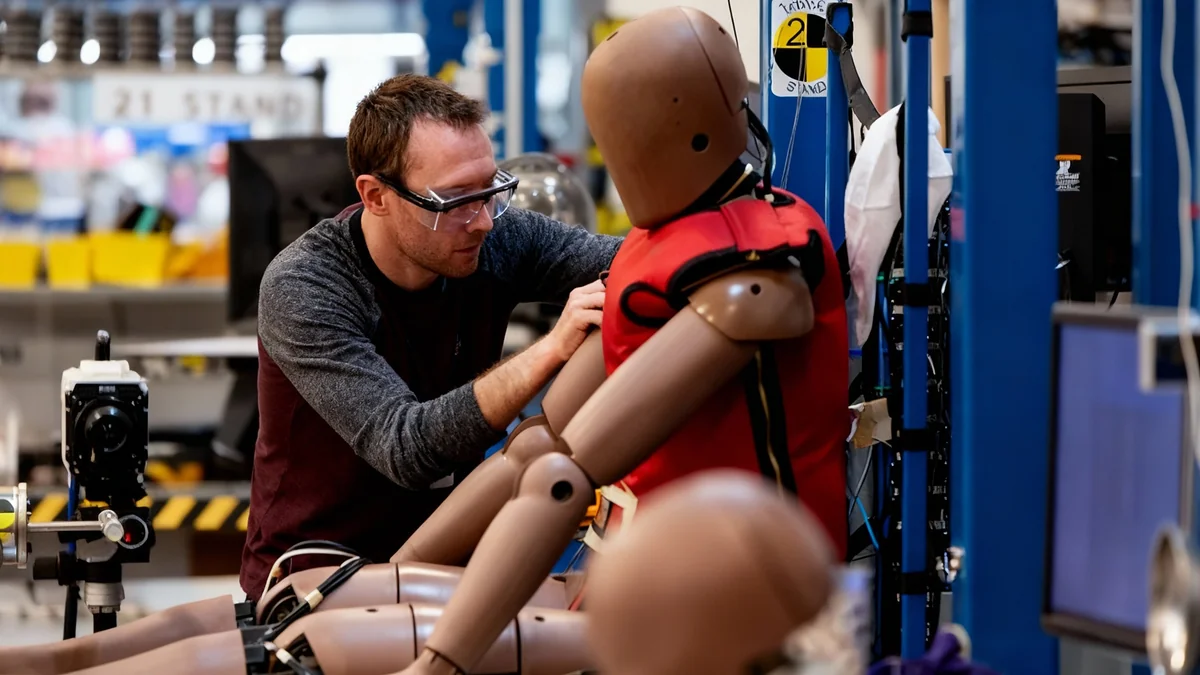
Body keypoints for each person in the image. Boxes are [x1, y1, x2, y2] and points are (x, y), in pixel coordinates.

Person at [239, 74, 622, 600]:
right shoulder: (307, 285)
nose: (483, 221)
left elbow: (632, 263)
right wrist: (552, 349)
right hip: (313, 580)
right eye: (456, 199)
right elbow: (405, 447)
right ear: (376, 196)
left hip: (441, 573)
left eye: (490, 189)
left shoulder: (493, 237)